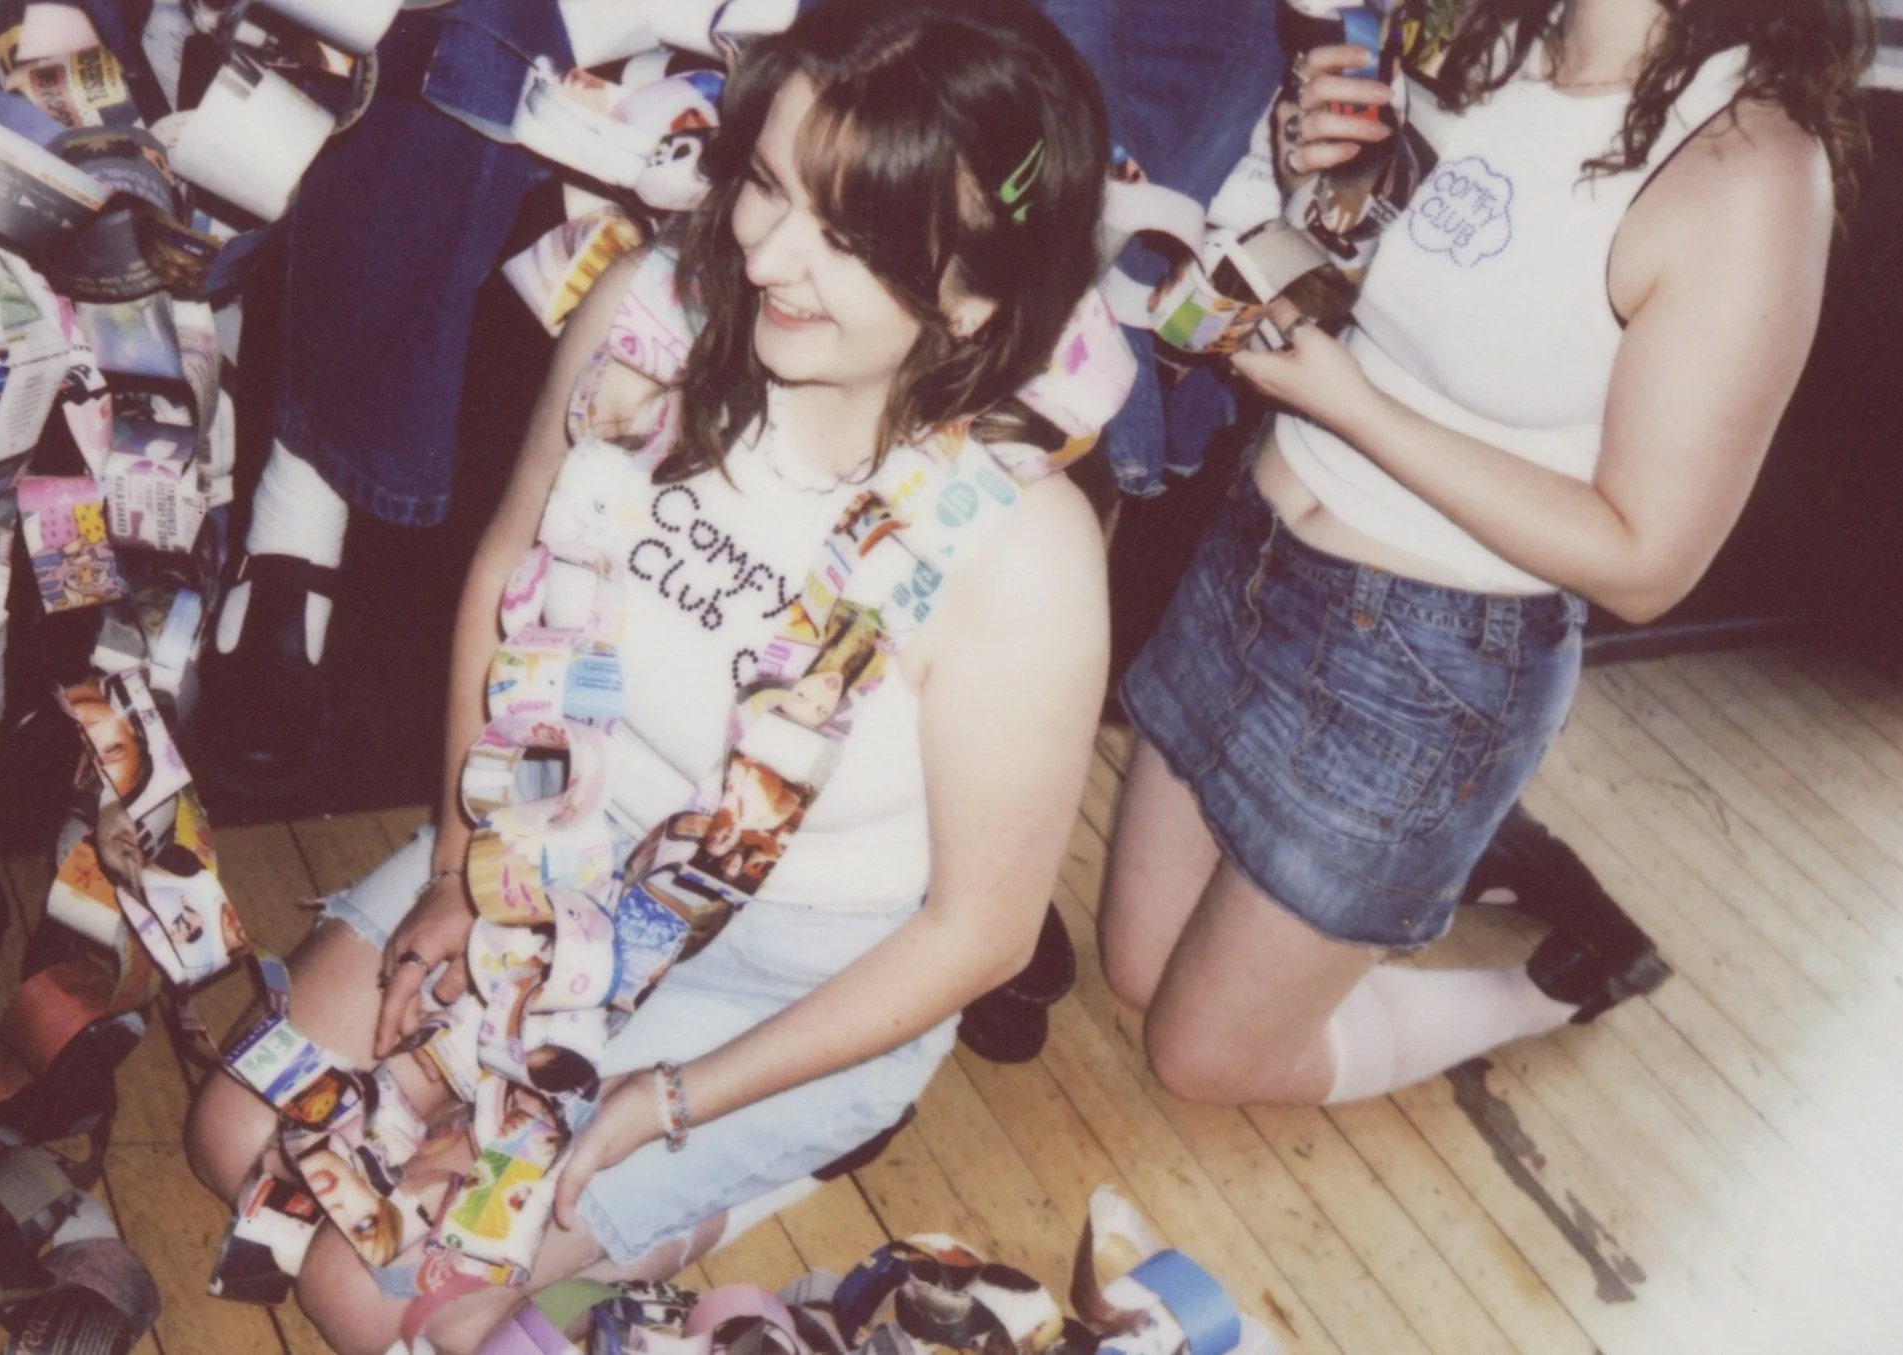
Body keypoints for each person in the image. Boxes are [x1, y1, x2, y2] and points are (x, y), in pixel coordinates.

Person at [182, 2, 1112, 1350]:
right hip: (567, 840)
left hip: (798, 973)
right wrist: (458, 868)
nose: (771, 255)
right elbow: (511, 568)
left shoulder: (1023, 552)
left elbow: (979, 935)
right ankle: (596, 1188)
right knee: (243, 1137)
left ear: (971, 290)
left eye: (844, 238)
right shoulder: (656, 311)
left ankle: (729, 1178)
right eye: (769, 188)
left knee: (379, 1293)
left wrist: (662, 1096)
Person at [1103, 0, 1870, 1108]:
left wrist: (1354, 409)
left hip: (1424, 668)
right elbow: (1397, 277)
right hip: (1249, 557)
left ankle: (1550, 985)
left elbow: (1645, 561)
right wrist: (1311, 182)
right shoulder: (1486, 29)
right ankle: (1455, 855)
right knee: (1135, 969)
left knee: (1202, 1053)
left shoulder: (1748, 172)